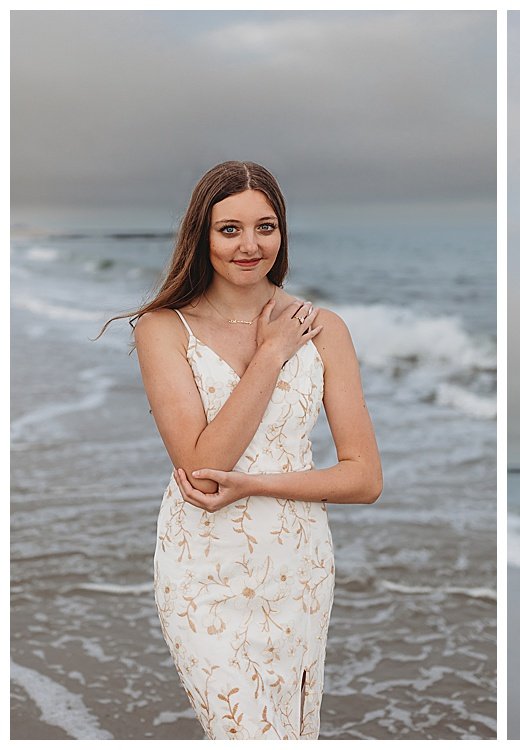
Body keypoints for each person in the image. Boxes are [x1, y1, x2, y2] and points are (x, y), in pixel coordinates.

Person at [106, 161, 382, 738]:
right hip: (202, 568)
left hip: (296, 568)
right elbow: (205, 471)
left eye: (266, 226)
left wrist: (258, 485)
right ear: (200, 236)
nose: (249, 245)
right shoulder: (162, 328)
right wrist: (270, 353)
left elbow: (364, 478)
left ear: (282, 234)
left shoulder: (323, 327)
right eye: (229, 229)